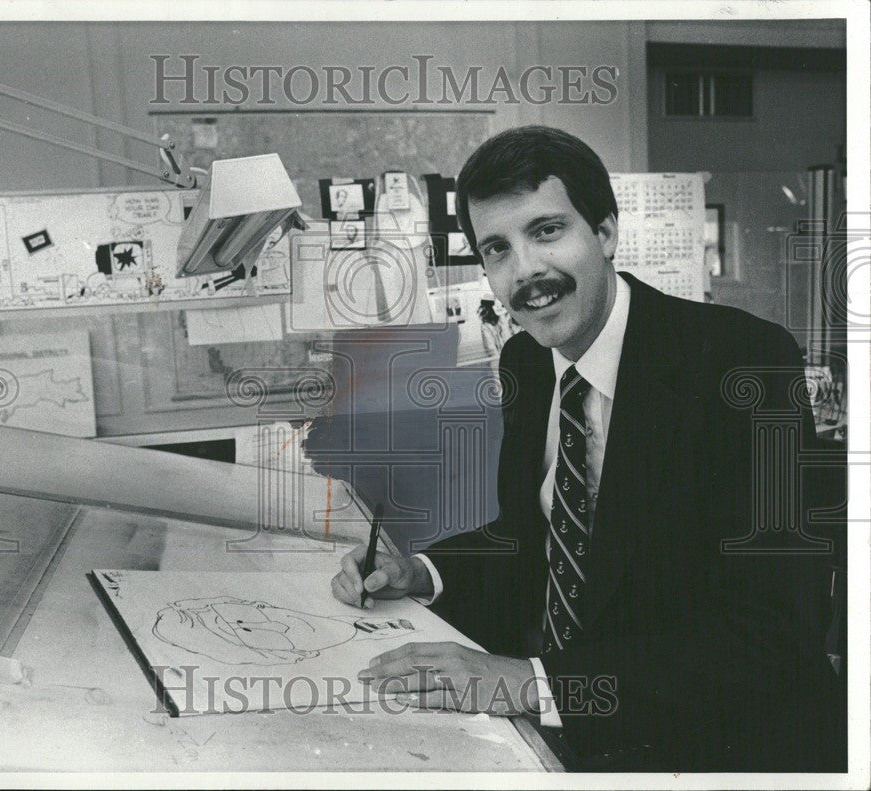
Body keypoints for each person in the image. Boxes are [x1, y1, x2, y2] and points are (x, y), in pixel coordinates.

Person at [331, 125, 845, 771]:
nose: (526, 272)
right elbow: (535, 537)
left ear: (604, 232)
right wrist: (425, 573)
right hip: (569, 739)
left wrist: (532, 681)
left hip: (724, 747)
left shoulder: (743, 360)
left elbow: (773, 632)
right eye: (497, 248)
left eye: (547, 231)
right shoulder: (526, 355)